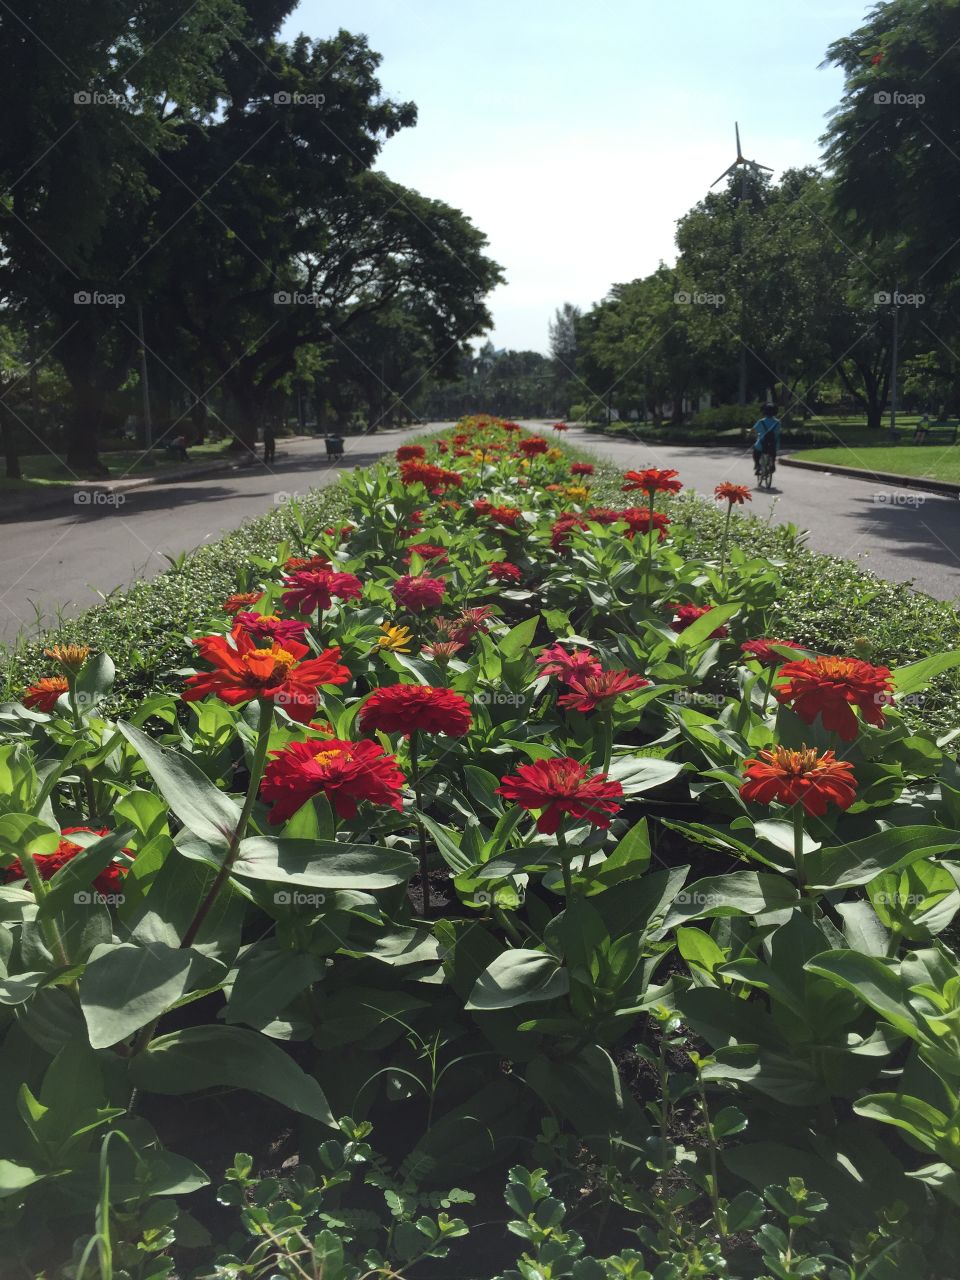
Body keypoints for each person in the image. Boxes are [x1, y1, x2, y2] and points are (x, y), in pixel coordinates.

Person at [752, 403, 781, 477]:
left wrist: (755, 435)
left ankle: (757, 465)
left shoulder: (761, 422)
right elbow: (778, 432)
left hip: (762, 444)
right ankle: (773, 464)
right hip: (773, 444)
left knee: (756, 451)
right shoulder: (777, 422)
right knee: (773, 453)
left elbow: (754, 430)